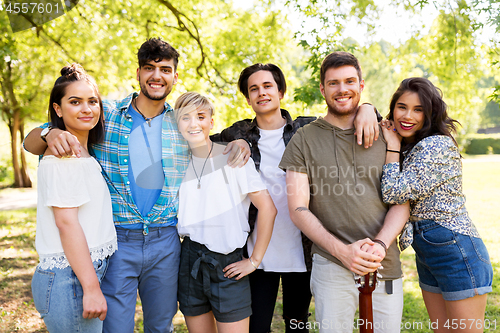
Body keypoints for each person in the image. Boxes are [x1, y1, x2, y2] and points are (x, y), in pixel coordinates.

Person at [23, 38, 249, 333]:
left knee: (160, 325)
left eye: (165, 69)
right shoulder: (105, 114)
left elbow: (210, 139)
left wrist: (240, 138)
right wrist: (49, 131)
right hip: (119, 241)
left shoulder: (182, 123)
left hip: (165, 240)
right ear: (139, 73)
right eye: (149, 68)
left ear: (175, 76)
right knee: (115, 327)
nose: (157, 76)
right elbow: (32, 142)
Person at [211, 63, 381, 332]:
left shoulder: (307, 128)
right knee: (256, 326)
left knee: (297, 326)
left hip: (303, 252)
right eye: (254, 89)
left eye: (268, 86)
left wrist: (368, 107)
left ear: (281, 92)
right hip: (258, 254)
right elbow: (199, 143)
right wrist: (236, 142)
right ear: (247, 98)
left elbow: (345, 114)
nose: (262, 93)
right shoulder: (237, 133)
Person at [279, 51, 409, 333]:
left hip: (383, 264)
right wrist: (343, 252)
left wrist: (380, 245)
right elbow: (297, 208)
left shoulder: (387, 133)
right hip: (330, 266)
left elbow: (401, 201)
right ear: (323, 89)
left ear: (361, 85)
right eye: (333, 83)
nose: (342, 89)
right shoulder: (304, 139)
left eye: (349, 81)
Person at [380, 77, 493, 333]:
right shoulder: (414, 144)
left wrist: (393, 146)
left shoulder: (435, 145)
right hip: (429, 252)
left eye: (418, 109)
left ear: (430, 113)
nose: (407, 116)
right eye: (402, 107)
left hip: (456, 250)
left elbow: (394, 192)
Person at [174, 92, 277, 333]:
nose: (193, 124)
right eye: (185, 118)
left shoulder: (234, 158)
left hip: (227, 262)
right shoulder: (177, 163)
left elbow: (268, 209)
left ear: (211, 121)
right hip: (190, 259)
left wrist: (254, 261)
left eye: (200, 116)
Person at [31, 64, 117, 332]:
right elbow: (66, 223)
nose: (86, 109)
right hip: (70, 279)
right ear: (58, 109)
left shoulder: (82, 152)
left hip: (80, 272)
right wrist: (91, 288)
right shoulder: (63, 156)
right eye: (75, 102)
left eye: (93, 101)